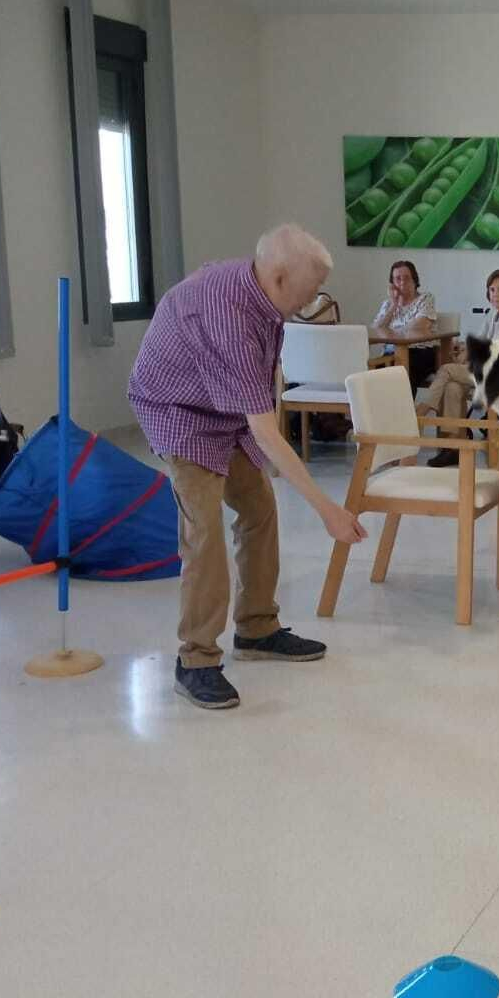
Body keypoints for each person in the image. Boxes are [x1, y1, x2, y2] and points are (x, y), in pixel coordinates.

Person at [128, 224, 367, 711]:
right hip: (177, 410)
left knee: (259, 508)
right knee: (205, 532)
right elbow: (265, 429)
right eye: (307, 289)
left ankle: (257, 629)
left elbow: (264, 394)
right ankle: (195, 660)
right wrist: (327, 509)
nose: (314, 298)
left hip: (224, 409)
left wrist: (276, 463)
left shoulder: (266, 297)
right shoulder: (231, 315)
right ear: (279, 277)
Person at [416, 269, 499, 468]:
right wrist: (462, 347)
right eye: (491, 290)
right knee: (452, 388)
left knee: (446, 370)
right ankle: (455, 447)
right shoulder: (494, 313)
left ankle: (422, 412)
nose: (495, 294)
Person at [371, 259, 437, 393]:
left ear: (414, 280)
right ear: (392, 284)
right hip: (391, 354)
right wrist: (394, 305)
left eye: (406, 278)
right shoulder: (388, 304)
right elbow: (376, 329)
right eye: (397, 279)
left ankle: (403, 413)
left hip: (420, 352)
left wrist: (390, 332)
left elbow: (419, 326)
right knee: (373, 377)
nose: (402, 282)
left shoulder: (425, 298)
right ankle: (383, 413)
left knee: (403, 377)